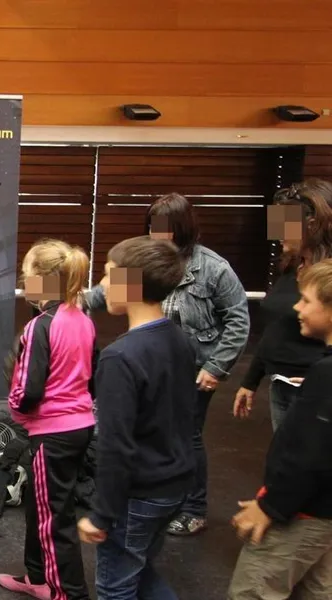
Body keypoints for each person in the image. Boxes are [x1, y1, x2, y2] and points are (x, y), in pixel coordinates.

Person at [85, 193, 249, 537]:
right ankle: (158, 501)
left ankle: (193, 508)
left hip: (190, 368)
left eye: (168, 229)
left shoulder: (214, 269)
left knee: (187, 436)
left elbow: (238, 320)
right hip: (151, 362)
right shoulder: (141, 260)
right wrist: (68, 304)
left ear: (184, 228)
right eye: (153, 227)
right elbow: (103, 293)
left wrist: (217, 367)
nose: (160, 235)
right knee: (153, 435)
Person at [77, 236, 195, 600]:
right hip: (173, 487)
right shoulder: (178, 339)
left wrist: (102, 514)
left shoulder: (119, 358)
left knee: (116, 588)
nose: (102, 286)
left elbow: (116, 446)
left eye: (109, 276)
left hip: (137, 497)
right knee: (140, 573)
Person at [0, 239, 97, 600]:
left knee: (54, 518)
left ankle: (67, 593)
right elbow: (91, 376)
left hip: (53, 433)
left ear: (43, 279)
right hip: (77, 427)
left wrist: (16, 411)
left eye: (27, 276)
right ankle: (37, 577)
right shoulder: (83, 320)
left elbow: (27, 389)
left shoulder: (40, 326)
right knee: (42, 506)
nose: (23, 282)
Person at [227, 259, 332, 599]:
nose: (297, 308)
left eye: (306, 301)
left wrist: (271, 506)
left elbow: (309, 456)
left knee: (253, 591)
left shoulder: (326, 376)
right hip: (321, 516)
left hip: (304, 513)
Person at [234, 179, 332, 431]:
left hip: (318, 392)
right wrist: (251, 381)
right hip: (281, 386)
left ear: (312, 225)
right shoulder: (292, 268)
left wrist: (321, 380)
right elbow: (275, 329)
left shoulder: (327, 277)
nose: (277, 233)